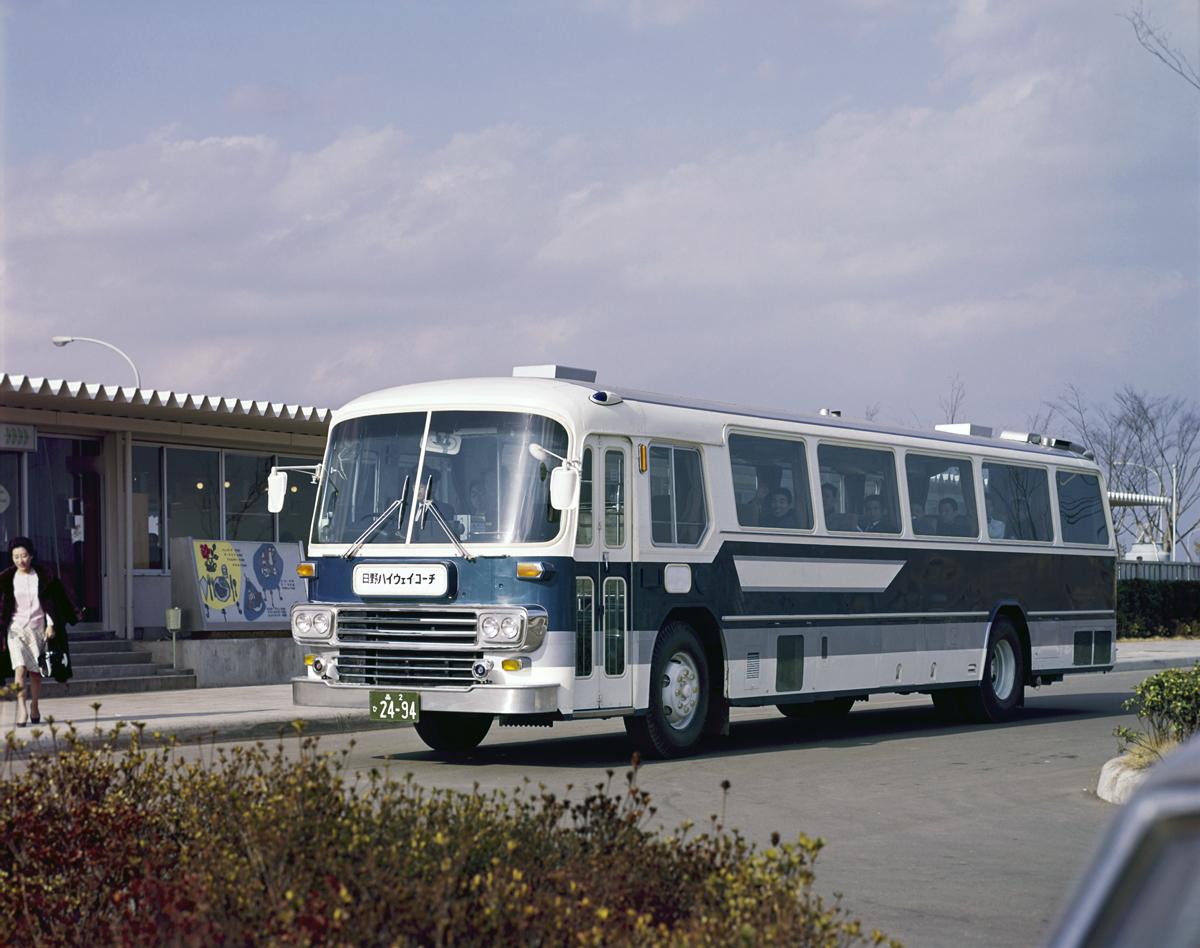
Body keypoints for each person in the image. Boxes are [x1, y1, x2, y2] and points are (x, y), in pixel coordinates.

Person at [0, 537, 77, 727]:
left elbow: (52, 603)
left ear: (31, 555)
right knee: (19, 670)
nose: (20, 560)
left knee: (35, 673)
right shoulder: (6, 579)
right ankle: (22, 709)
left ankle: (34, 705)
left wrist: (51, 624)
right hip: (16, 629)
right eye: (16, 557)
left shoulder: (44, 577)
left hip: (38, 629)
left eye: (24, 556)